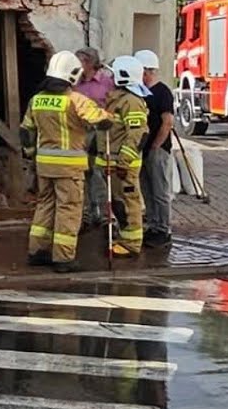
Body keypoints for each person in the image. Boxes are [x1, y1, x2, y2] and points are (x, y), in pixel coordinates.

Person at [21, 51, 114, 272]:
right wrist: (110, 118)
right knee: (68, 210)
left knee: (44, 206)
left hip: (44, 165)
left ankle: (37, 251)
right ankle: (63, 258)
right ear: (72, 74)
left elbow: (26, 131)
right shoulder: (75, 100)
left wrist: (31, 153)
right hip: (69, 167)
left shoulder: (37, 100)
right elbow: (101, 119)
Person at [99, 56, 151, 257]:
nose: (110, 77)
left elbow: (137, 135)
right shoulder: (119, 99)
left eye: (113, 74)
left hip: (124, 167)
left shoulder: (131, 102)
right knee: (119, 204)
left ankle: (131, 244)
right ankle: (124, 237)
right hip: (114, 164)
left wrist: (123, 162)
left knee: (129, 204)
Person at [135, 49, 174, 248]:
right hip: (144, 149)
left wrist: (156, 146)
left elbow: (167, 122)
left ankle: (163, 229)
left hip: (157, 150)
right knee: (147, 189)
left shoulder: (162, 92)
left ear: (147, 71)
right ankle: (152, 225)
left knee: (160, 191)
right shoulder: (140, 92)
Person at [74, 48, 115, 228]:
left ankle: (107, 215)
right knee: (83, 172)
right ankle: (87, 214)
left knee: (100, 173)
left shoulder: (107, 82)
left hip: (101, 132)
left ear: (90, 63)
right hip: (81, 132)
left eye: (80, 61)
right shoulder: (75, 84)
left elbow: (113, 106)